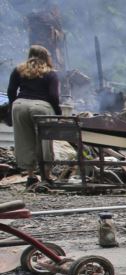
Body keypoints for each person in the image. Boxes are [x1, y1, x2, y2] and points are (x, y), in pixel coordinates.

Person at [7, 45, 61, 186]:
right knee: (45, 141)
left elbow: (11, 91)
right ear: (46, 57)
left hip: (19, 106)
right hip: (41, 107)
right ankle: (46, 176)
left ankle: (30, 176)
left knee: (25, 140)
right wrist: (57, 112)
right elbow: (54, 96)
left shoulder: (19, 70)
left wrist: (13, 106)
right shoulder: (51, 73)